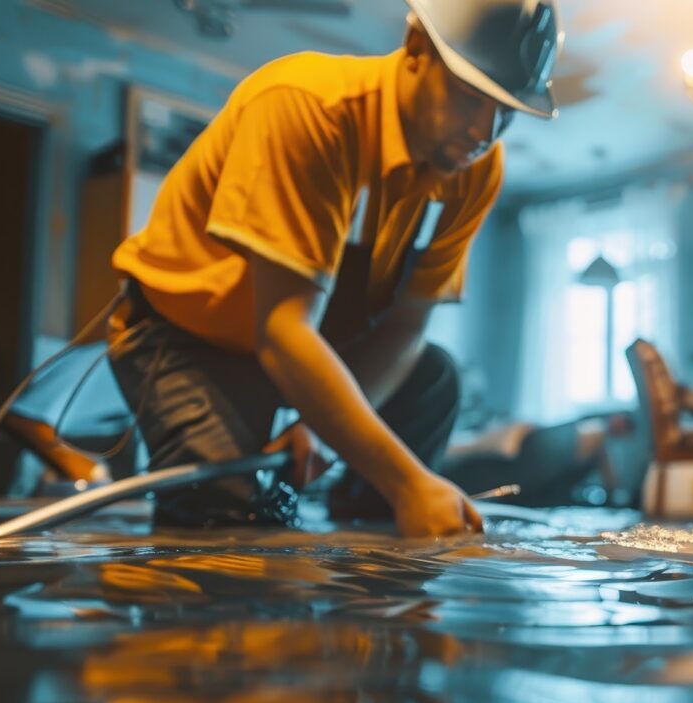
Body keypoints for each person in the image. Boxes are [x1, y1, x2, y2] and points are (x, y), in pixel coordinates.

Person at [106, 0, 561, 537]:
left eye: (506, 109)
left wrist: (325, 434)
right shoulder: (307, 108)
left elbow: (407, 328)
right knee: (234, 524)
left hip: (308, 339)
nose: (485, 130)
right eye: (470, 95)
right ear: (416, 50)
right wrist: (406, 481)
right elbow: (281, 332)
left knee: (434, 378)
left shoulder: (476, 168)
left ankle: (373, 547)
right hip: (188, 337)